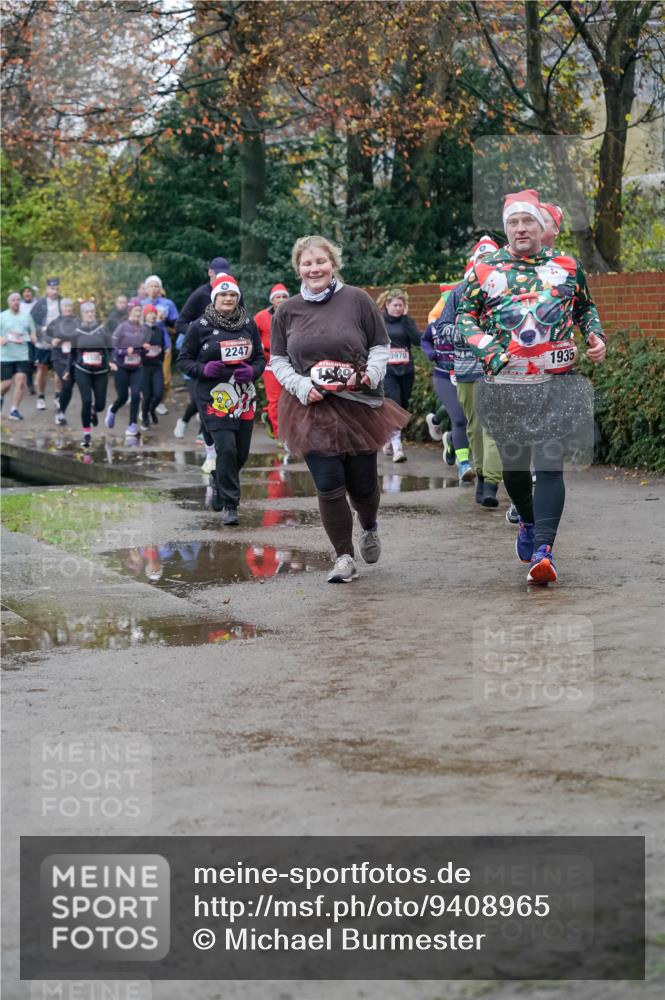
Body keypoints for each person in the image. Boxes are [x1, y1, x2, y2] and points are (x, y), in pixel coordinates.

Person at [457, 188, 607, 584]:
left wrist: (595, 336)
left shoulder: (567, 266)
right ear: (506, 228)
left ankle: (544, 550)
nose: (521, 228)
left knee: (550, 467)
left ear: (543, 227)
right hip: (506, 384)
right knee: (516, 473)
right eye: (514, 222)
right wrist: (488, 349)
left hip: (556, 382)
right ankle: (526, 520)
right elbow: (464, 318)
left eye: (528, 222)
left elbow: (585, 308)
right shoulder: (485, 269)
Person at [270, 235, 409, 583]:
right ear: (298, 268)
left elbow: (381, 345)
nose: (314, 268)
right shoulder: (287, 311)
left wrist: (373, 374)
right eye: (307, 263)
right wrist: (302, 386)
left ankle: (369, 525)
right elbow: (278, 360)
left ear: (333, 264)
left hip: (357, 405)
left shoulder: (357, 300)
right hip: (311, 408)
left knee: (362, 486)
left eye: (320, 261)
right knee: (329, 484)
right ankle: (343, 557)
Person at [178, 273, 265, 524]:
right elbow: (183, 360)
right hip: (214, 397)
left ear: (238, 298)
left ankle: (219, 478)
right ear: (215, 297)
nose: (228, 298)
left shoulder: (248, 324)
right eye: (223, 294)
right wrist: (203, 370)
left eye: (232, 295)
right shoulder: (200, 326)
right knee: (226, 448)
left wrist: (253, 371)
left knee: (241, 454)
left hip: (243, 396)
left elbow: (260, 358)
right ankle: (231, 505)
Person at [420, 309, 474, 483]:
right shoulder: (435, 326)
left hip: (469, 376)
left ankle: (451, 439)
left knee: (470, 417)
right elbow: (425, 340)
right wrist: (430, 352)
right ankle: (464, 465)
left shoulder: (471, 325)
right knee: (459, 419)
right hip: (444, 376)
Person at [375, 287, 421, 463]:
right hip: (388, 372)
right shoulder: (379, 322)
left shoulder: (407, 322)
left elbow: (417, 340)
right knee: (394, 405)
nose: (398, 309)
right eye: (395, 305)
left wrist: (407, 322)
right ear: (387, 304)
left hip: (406, 371)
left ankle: (388, 438)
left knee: (402, 408)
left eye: (401, 305)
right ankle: (398, 449)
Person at [71, 301, 112, 447]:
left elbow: (110, 348)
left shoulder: (102, 330)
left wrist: (111, 361)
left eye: (92, 312)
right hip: (82, 370)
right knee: (86, 401)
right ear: (82, 315)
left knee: (100, 405)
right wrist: (67, 371)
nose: (89, 314)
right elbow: (72, 353)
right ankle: (86, 434)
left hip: (100, 370)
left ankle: (94, 411)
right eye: (86, 312)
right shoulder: (76, 332)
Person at [253, 283, 289, 440]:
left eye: (284, 296)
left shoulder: (295, 313)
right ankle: (280, 435)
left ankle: (268, 415)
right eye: (278, 297)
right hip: (271, 365)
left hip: (292, 365)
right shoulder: (261, 317)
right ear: (272, 300)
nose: (281, 299)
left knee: (290, 400)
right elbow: (251, 336)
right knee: (275, 401)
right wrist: (259, 350)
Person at [105, 299, 146, 437]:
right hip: (122, 366)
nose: (138, 314)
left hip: (137, 366)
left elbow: (144, 349)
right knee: (122, 397)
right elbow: (113, 347)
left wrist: (145, 349)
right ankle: (112, 410)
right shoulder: (122, 327)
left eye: (140, 311)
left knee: (136, 395)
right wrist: (124, 352)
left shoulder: (143, 328)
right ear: (130, 312)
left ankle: (132, 425)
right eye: (136, 311)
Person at [141, 275, 179, 414]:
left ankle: (160, 402)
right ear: (146, 288)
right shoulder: (140, 304)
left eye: (156, 285)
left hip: (163, 344)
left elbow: (176, 324)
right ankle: (146, 404)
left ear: (160, 288)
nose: (154, 288)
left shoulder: (168, 304)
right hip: (144, 345)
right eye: (151, 285)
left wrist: (166, 319)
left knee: (165, 378)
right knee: (145, 377)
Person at [175, 256, 232, 337]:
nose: (221, 278)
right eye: (218, 274)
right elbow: (180, 324)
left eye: (224, 275)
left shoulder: (234, 294)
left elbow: (241, 319)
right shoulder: (200, 294)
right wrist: (202, 334)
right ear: (210, 272)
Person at [0, 292, 36, 420]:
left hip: (22, 354)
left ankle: (14, 410)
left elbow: (33, 331)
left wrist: (33, 337)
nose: (16, 302)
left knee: (20, 381)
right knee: (6, 384)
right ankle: (1, 397)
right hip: (6, 355)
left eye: (17, 300)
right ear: (9, 302)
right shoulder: (2, 316)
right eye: (13, 300)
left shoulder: (27, 316)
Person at [29, 277, 61, 410]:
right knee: (41, 369)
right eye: (52, 289)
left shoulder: (63, 302)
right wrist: (39, 330)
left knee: (59, 370)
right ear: (47, 289)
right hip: (43, 342)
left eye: (57, 288)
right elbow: (30, 321)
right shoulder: (40, 303)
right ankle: (41, 397)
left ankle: (58, 397)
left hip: (58, 342)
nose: (55, 291)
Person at [46, 298, 78, 426]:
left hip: (75, 358)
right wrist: (51, 340)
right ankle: (60, 413)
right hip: (59, 357)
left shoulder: (78, 322)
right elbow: (46, 335)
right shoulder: (55, 322)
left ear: (73, 308)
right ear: (61, 308)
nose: (67, 309)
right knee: (67, 382)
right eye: (65, 306)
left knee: (69, 387)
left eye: (69, 306)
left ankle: (61, 410)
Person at [140, 303, 170, 429]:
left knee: (158, 393)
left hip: (156, 365)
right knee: (147, 395)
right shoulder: (140, 330)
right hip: (144, 367)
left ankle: (152, 410)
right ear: (145, 315)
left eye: (154, 313)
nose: (152, 316)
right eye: (149, 313)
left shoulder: (159, 330)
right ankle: (145, 417)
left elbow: (162, 347)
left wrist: (162, 356)